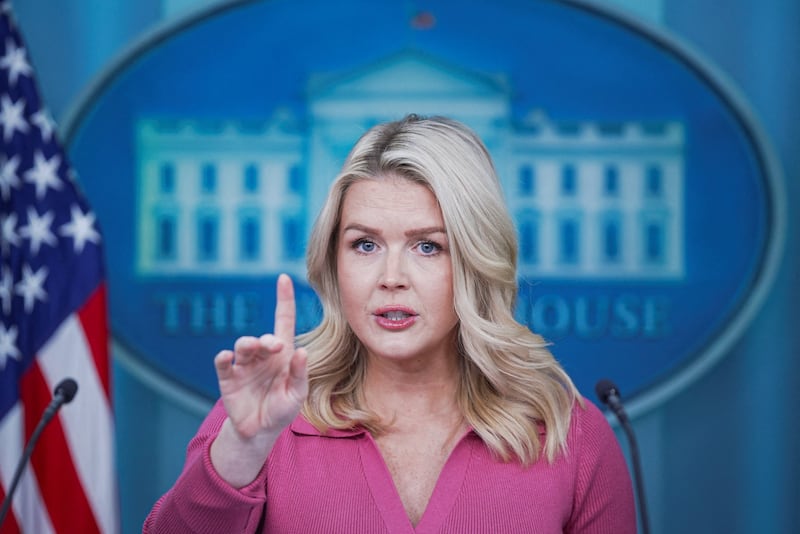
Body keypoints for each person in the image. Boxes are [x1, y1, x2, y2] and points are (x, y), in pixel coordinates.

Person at [143, 114, 636, 533]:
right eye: (365, 245)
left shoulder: (571, 434)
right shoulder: (265, 413)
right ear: (333, 260)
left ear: (475, 260)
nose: (391, 277)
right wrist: (243, 450)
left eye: (428, 246)